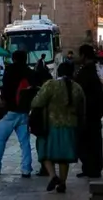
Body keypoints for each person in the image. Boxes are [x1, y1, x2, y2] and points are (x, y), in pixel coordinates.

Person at [31, 59, 86, 193]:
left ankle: (52, 176)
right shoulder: (77, 88)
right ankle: (62, 183)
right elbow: (82, 109)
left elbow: (36, 102)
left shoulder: (51, 85)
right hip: (71, 126)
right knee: (63, 157)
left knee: (45, 152)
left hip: (51, 125)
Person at [0, 50, 35, 178]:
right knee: (24, 142)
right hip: (24, 111)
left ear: (13, 59)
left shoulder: (10, 71)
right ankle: (26, 169)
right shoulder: (29, 71)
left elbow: (6, 90)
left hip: (10, 111)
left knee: (1, 140)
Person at [75, 44, 103, 178]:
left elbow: (80, 91)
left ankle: (93, 168)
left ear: (84, 56)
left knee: (87, 142)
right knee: (91, 141)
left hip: (89, 112)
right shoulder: (90, 69)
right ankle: (89, 168)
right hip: (93, 112)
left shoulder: (87, 71)